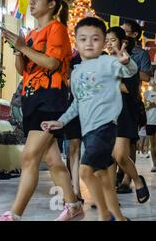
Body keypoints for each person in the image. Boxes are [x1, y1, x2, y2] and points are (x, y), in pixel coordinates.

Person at [0, 0, 83, 221]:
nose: (32, 1)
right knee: (52, 160)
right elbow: (23, 71)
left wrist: (23, 47)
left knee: (29, 157)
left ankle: (14, 215)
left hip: (50, 98)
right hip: (31, 98)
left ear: (52, 4)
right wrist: (18, 50)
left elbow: (53, 63)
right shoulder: (32, 34)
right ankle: (74, 206)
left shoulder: (57, 29)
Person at [41, 17, 137, 221]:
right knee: (102, 177)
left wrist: (126, 61)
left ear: (103, 43)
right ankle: (119, 218)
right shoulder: (75, 73)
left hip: (105, 128)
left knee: (85, 172)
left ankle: (104, 216)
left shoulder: (108, 62)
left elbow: (129, 71)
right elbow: (77, 103)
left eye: (95, 39)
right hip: (88, 131)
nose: (89, 43)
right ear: (76, 42)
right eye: (83, 39)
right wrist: (61, 121)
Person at [105, 27, 149, 201]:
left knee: (121, 156)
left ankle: (137, 180)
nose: (109, 43)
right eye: (106, 40)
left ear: (122, 42)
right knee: (108, 156)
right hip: (105, 113)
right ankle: (109, 197)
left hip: (124, 112)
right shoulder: (103, 61)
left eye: (112, 40)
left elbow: (129, 89)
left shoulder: (128, 62)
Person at [119, 20, 152, 186]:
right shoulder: (112, 50)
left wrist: (128, 68)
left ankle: (127, 179)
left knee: (130, 140)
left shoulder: (140, 54)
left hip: (131, 99)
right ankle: (119, 173)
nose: (123, 33)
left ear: (135, 34)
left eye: (126, 31)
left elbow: (146, 76)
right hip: (113, 99)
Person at [63, 52, 84, 203]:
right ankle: (76, 190)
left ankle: (103, 192)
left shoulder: (103, 58)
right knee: (74, 148)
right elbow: (66, 80)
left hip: (96, 111)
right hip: (75, 108)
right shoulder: (72, 59)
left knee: (96, 151)